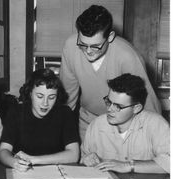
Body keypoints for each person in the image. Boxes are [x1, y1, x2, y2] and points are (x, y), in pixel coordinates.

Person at [59, 5, 161, 141]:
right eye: (83, 44)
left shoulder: (127, 56)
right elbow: (67, 97)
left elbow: (148, 104)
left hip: (124, 122)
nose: (88, 51)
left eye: (96, 46)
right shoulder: (70, 47)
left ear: (110, 36)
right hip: (88, 119)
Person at [81, 73, 169, 174]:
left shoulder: (156, 124)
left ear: (136, 108)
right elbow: (84, 159)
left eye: (118, 106)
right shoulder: (97, 125)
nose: (109, 109)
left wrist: (128, 166)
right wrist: (86, 159)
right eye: (109, 102)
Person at [0, 68, 80, 171]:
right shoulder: (16, 112)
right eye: (40, 96)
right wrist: (13, 162)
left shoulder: (65, 113)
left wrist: (33, 160)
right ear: (30, 93)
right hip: (22, 173)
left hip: (55, 173)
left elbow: (74, 155)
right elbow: (3, 150)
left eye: (51, 97)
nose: (45, 103)